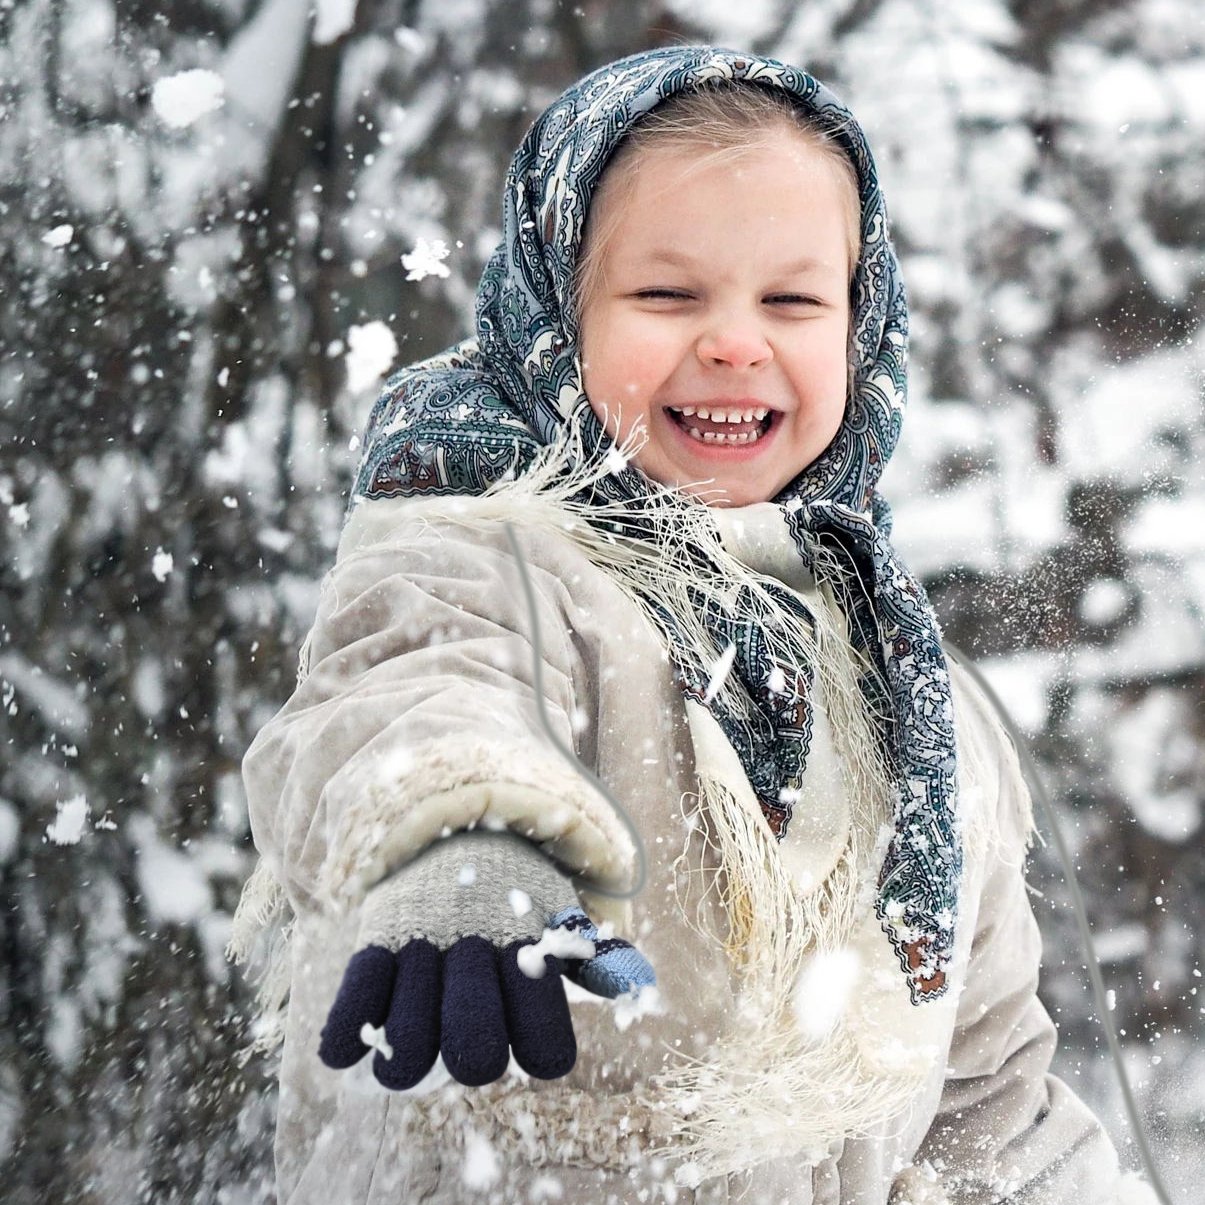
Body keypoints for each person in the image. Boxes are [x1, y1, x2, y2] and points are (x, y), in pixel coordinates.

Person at [230, 45, 1159, 1205]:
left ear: (859, 328)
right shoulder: (485, 552)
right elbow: (406, 687)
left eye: (791, 299)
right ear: (554, 311)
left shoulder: (905, 692)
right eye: (666, 295)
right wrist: (463, 840)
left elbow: (987, 1103)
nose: (733, 341)